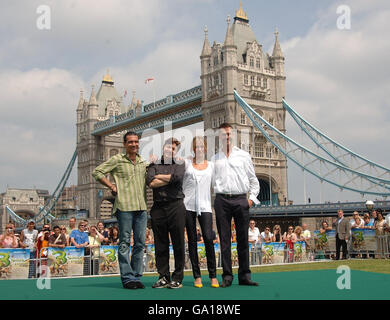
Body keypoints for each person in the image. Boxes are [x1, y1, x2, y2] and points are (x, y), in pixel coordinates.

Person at [92, 131, 148, 290]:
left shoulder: (143, 162)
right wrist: (111, 186)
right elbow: (97, 172)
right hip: (124, 207)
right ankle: (127, 278)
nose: (134, 144)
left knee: (140, 243)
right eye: (130, 142)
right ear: (124, 144)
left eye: (136, 142)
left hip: (142, 207)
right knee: (124, 243)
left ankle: (137, 277)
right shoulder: (117, 160)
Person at [212, 123, 260, 287]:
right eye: (223, 134)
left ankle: (245, 276)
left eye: (229, 134)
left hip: (241, 199)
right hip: (221, 200)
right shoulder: (214, 158)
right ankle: (227, 276)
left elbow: (254, 181)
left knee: (243, 239)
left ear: (233, 135)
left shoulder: (244, 156)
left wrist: (251, 199)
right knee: (224, 240)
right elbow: (208, 182)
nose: (226, 136)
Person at [146, 137, 186, 289]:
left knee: (178, 243)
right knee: (160, 243)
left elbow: (177, 178)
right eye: (168, 147)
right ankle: (163, 276)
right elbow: (150, 181)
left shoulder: (180, 163)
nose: (170, 150)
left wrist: (158, 176)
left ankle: (177, 278)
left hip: (176, 205)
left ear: (176, 151)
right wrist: (168, 179)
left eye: (173, 148)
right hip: (158, 207)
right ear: (163, 148)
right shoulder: (154, 163)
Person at [182, 136, 218, 288]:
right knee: (191, 241)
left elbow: (218, 183)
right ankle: (197, 276)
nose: (199, 149)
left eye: (202, 146)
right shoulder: (186, 163)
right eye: (196, 147)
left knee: (209, 239)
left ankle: (213, 275)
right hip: (188, 205)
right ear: (193, 149)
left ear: (206, 148)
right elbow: (174, 164)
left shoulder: (211, 165)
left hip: (205, 206)